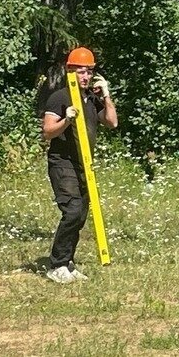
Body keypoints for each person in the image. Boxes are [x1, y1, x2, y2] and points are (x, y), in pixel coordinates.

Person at [39, 46, 117, 283]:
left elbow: (112, 122)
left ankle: (68, 262)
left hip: (84, 164)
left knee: (81, 214)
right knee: (72, 211)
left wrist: (105, 95)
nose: (84, 77)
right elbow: (47, 131)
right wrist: (67, 119)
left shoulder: (91, 98)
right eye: (80, 72)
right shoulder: (60, 97)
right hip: (62, 163)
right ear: (69, 71)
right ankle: (57, 265)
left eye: (88, 72)